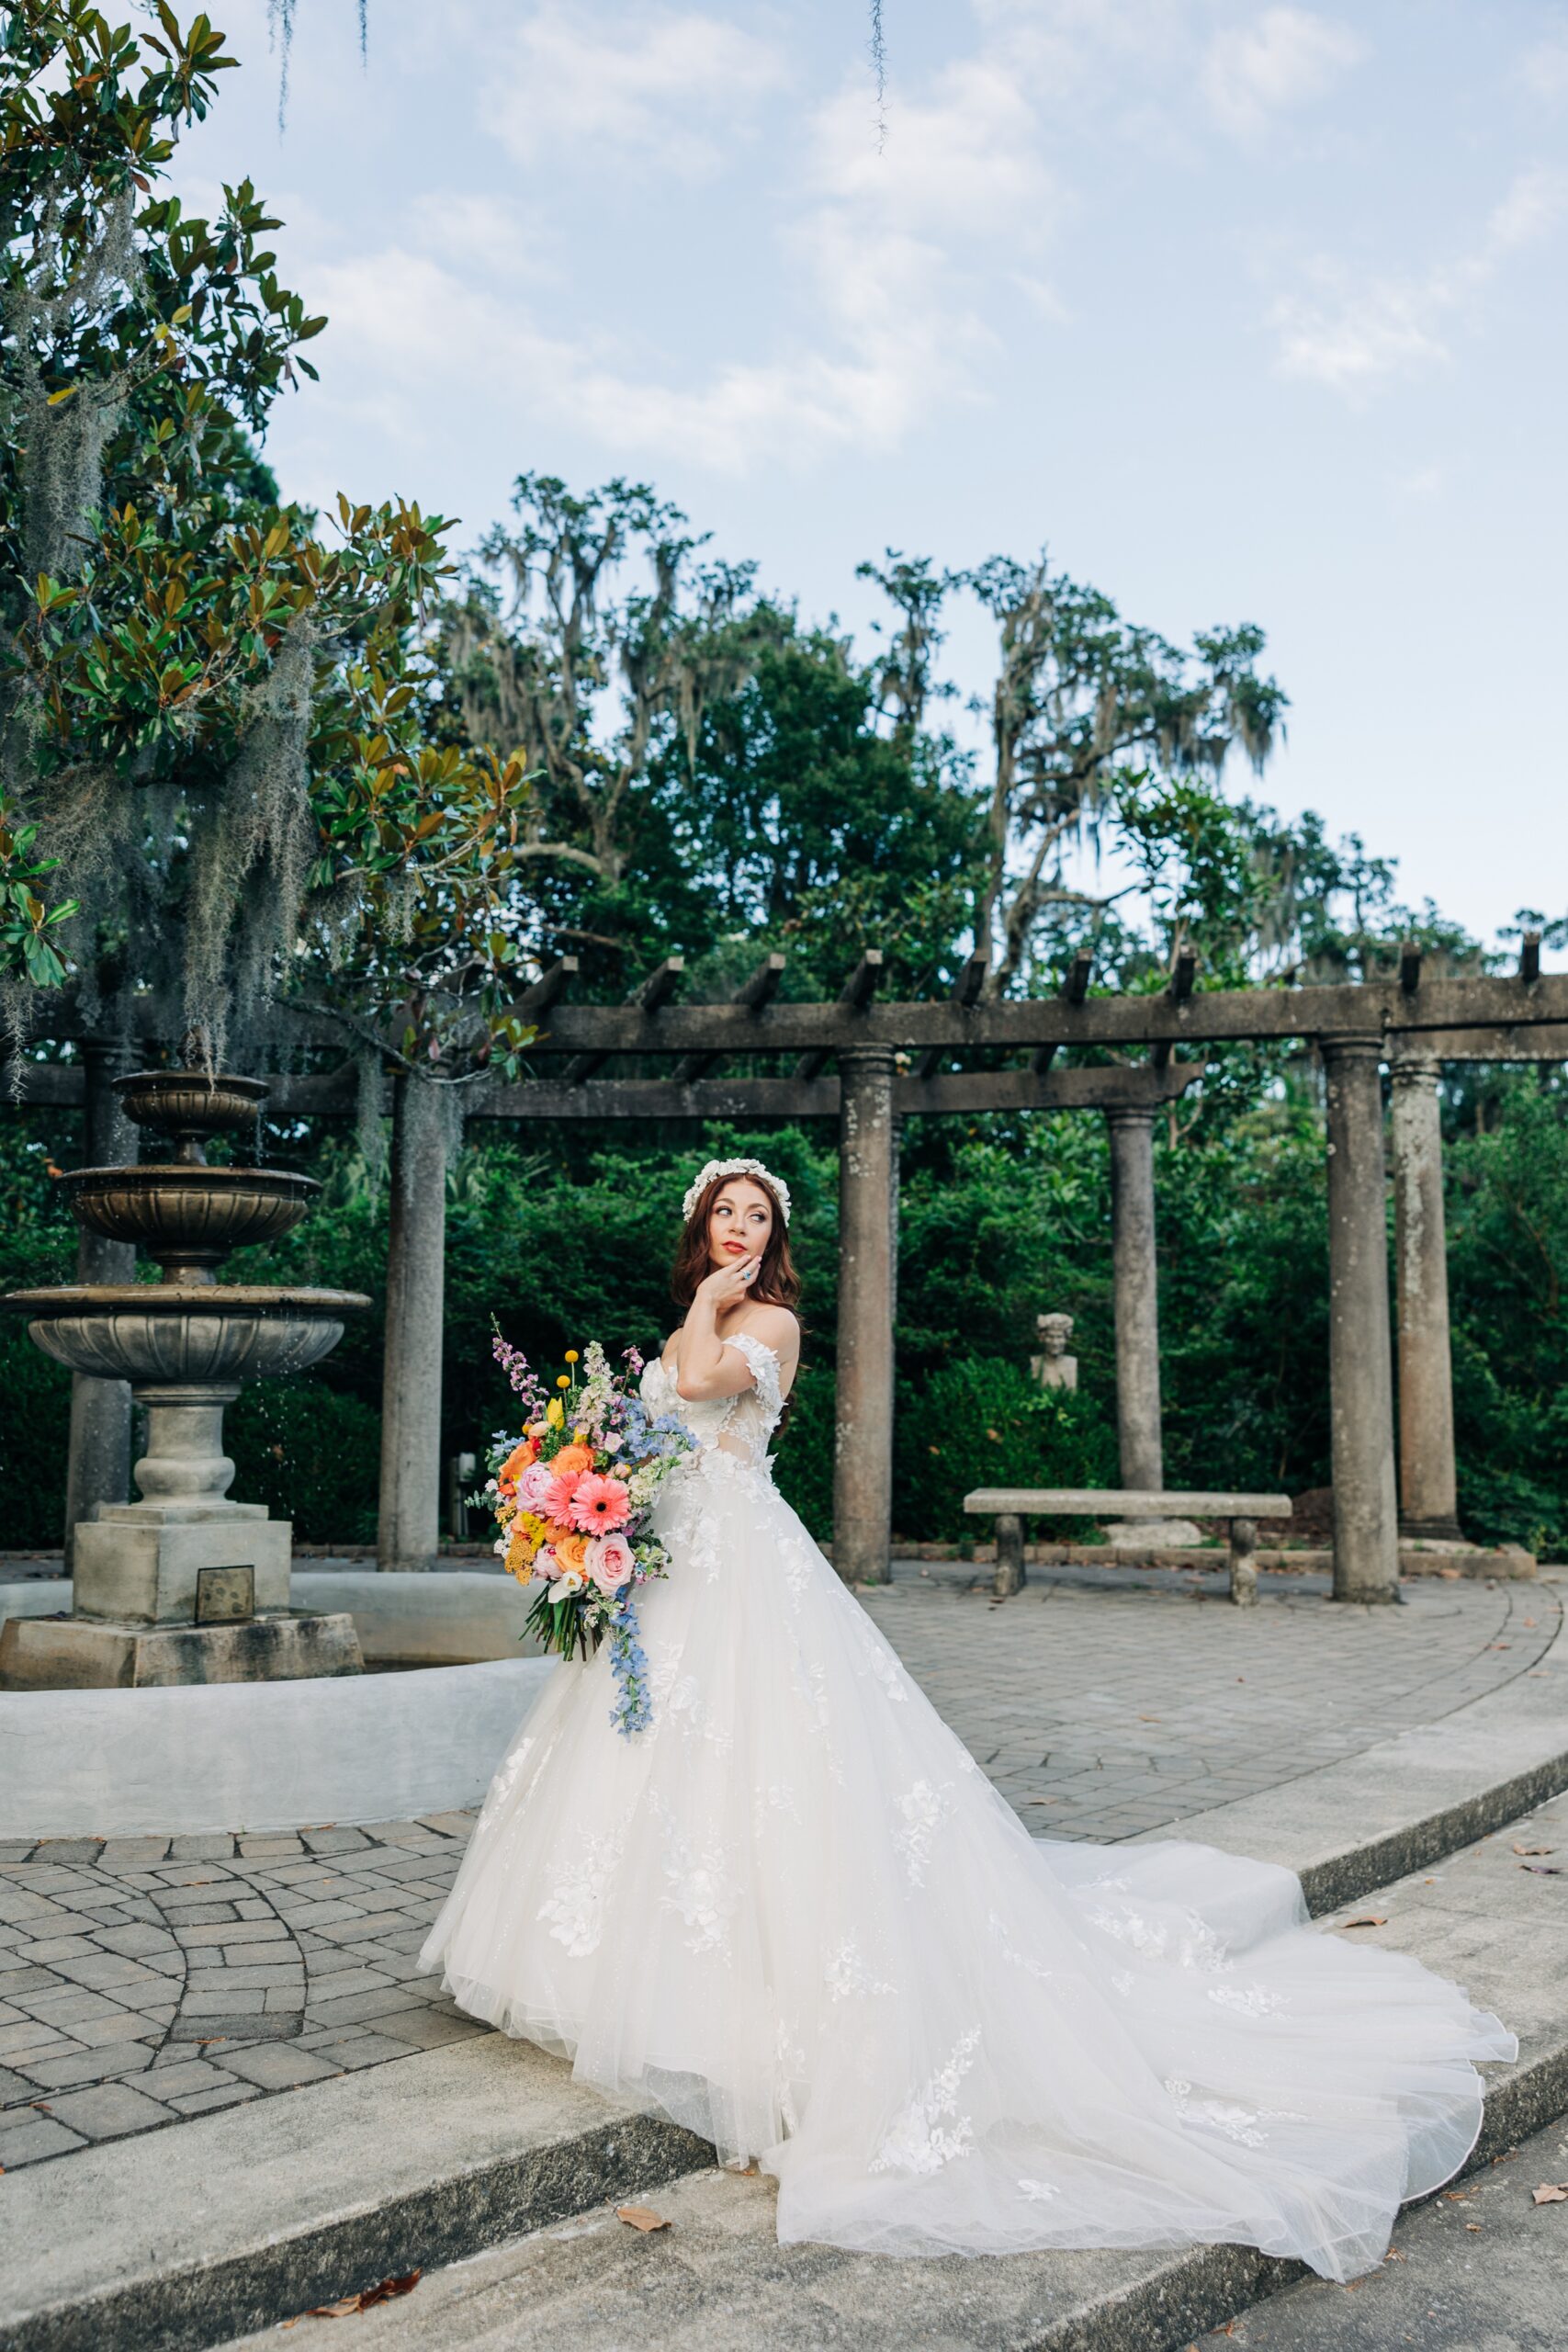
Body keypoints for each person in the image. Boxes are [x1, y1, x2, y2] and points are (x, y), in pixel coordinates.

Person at [422, 1156, 1510, 2277]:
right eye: (724, 1214)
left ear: (769, 1240)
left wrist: (703, 1307)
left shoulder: (774, 1324)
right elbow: (658, 1425)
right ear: (698, 1224)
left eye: (755, 1217)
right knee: (638, 1757)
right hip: (669, 1565)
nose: (739, 1230)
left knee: (766, 1766)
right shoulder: (701, 1310)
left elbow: (696, 1389)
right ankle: (596, 1976)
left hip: (742, 1566)